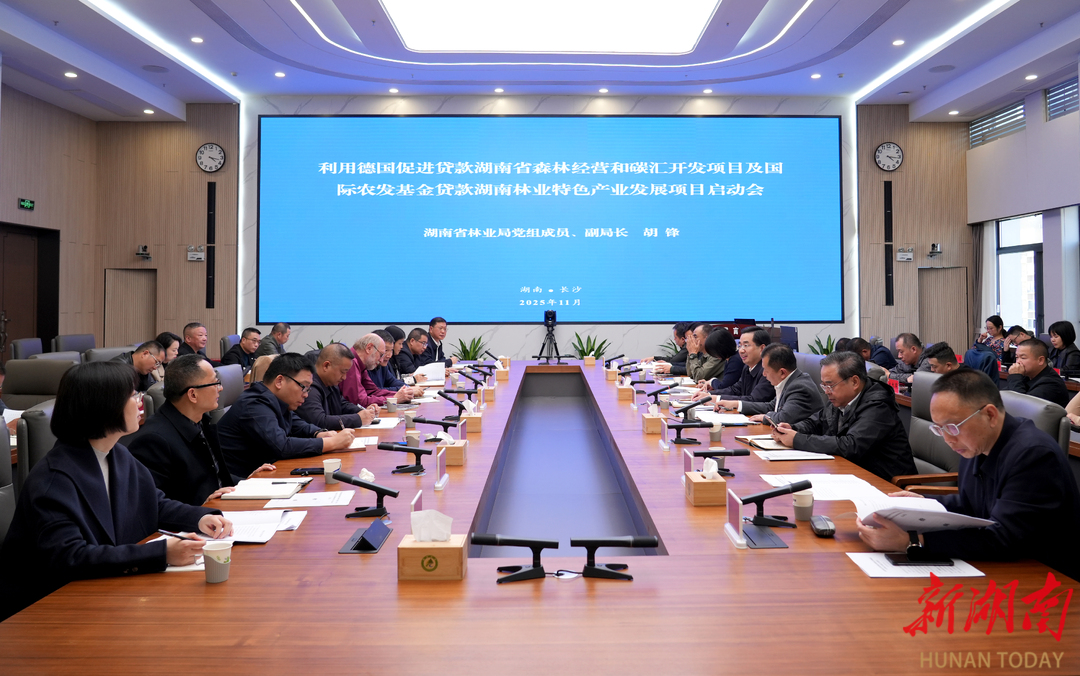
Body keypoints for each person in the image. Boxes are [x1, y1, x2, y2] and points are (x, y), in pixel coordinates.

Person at [0, 361, 232, 620]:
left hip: (105, 594)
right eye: (132, 395)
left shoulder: (118, 454)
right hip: (49, 611)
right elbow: (71, 557)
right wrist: (161, 553)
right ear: (104, 406)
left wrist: (200, 518)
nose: (139, 403)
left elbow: (153, 503)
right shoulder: (53, 480)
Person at [856, 369, 1080, 581]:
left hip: (1045, 579)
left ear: (990, 415)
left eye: (952, 427)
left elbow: (1004, 538)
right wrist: (925, 503)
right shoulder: (976, 443)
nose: (947, 439)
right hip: (999, 566)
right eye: (939, 429)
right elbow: (972, 504)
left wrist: (912, 541)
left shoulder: (1033, 455)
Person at [127, 355, 274, 506]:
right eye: (215, 383)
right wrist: (202, 506)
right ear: (193, 394)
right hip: (198, 517)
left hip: (218, 510)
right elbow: (152, 505)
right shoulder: (153, 440)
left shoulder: (201, 421)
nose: (221, 388)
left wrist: (248, 483)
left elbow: (214, 477)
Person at [771, 351, 916, 482]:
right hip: (854, 475)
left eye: (830, 385)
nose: (826, 391)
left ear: (854, 382)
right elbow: (817, 422)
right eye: (823, 385)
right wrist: (792, 428)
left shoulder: (878, 407)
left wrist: (796, 439)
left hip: (888, 484)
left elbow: (850, 446)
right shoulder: (840, 399)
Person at [217, 352, 355, 477]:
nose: (306, 395)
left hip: (267, 473)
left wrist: (318, 433)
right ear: (279, 381)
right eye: (304, 387)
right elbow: (281, 446)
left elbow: (296, 423)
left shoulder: (275, 400)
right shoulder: (254, 404)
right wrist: (331, 443)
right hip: (239, 483)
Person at [733, 344, 824, 424]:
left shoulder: (800, 387)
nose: (763, 374)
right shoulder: (790, 381)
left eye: (766, 370)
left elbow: (784, 418)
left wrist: (765, 417)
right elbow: (771, 406)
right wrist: (738, 404)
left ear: (782, 373)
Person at [296, 343, 378, 429]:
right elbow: (319, 421)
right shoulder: (309, 387)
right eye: (343, 372)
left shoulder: (330, 383)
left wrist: (364, 411)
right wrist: (357, 419)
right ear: (326, 366)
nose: (344, 377)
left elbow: (342, 405)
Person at [341, 334, 417, 407]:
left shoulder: (361, 364)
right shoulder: (351, 363)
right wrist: (393, 399)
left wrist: (402, 395)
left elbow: (373, 391)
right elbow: (360, 402)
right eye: (381, 355)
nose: (381, 360)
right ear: (369, 348)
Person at [712, 327, 776, 405]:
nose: (741, 350)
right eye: (740, 345)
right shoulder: (747, 367)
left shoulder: (768, 370)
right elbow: (735, 390)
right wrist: (709, 395)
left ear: (762, 348)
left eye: (746, 345)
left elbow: (755, 400)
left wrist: (717, 398)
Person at [1005, 338, 1070, 407]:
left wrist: (1015, 376)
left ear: (1040, 360)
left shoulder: (1051, 383)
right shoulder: (1026, 376)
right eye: (1017, 357)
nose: (1018, 362)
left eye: (1023, 358)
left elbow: (1022, 407)